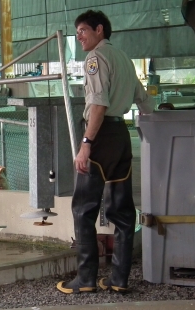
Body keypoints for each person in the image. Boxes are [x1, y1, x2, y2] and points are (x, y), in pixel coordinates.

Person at [56, 11, 155, 294]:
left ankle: (86, 279)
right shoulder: (123, 58)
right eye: (77, 32)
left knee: (83, 209)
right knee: (123, 213)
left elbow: (97, 105)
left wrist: (86, 144)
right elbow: (144, 101)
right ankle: (118, 279)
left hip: (100, 138)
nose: (80, 36)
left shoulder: (96, 59)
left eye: (83, 30)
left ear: (100, 30)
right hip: (121, 137)